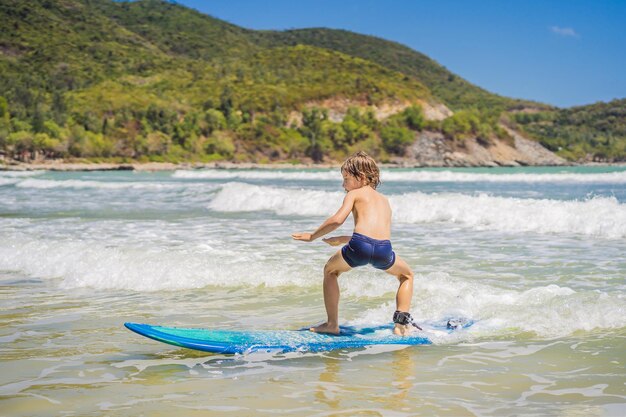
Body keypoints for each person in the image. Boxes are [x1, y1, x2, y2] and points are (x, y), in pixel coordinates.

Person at [292, 151, 419, 336]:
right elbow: (374, 237)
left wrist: (312, 236)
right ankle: (401, 325)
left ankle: (332, 324)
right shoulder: (385, 201)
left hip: (359, 247)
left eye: (346, 178)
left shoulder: (354, 194)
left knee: (330, 271)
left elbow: (337, 220)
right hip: (384, 249)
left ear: (360, 177)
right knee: (407, 275)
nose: (343, 184)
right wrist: (345, 240)